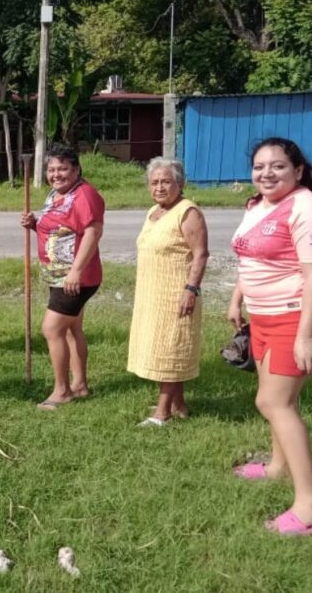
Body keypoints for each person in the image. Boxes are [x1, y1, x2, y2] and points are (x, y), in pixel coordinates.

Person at [229, 137, 312, 536]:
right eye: (259, 166)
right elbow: (249, 255)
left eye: (277, 166)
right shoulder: (257, 205)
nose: (267, 173)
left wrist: (305, 336)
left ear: (298, 170)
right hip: (263, 317)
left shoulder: (309, 209)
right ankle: (277, 467)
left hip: (296, 318)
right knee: (281, 399)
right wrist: (237, 298)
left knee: (273, 402)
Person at [21, 144, 105, 410]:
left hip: (74, 277)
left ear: (77, 169)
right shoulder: (57, 194)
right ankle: (79, 385)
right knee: (71, 328)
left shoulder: (85, 195)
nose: (56, 174)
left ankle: (62, 391)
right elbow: (61, 228)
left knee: (52, 328)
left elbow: (92, 233)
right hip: (57, 274)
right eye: (51, 169)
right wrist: (34, 224)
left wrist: (76, 272)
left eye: (63, 169)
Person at [127, 158, 209, 426]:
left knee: (170, 349)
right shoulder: (154, 211)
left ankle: (161, 414)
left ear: (180, 183)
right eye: (154, 182)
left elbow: (200, 254)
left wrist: (190, 289)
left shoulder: (188, 212)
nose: (159, 187)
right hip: (153, 293)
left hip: (177, 292)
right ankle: (179, 404)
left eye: (166, 181)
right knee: (163, 346)